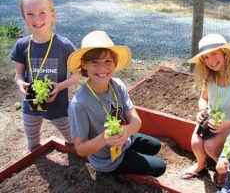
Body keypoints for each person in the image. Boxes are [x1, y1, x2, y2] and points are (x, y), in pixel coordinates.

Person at [67, 30, 166, 177]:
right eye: (95, 62)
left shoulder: (117, 85)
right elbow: (80, 149)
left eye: (108, 61)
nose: (102, 68)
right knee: (160, 167)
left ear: (115, 63)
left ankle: (130, 152)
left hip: (124, 139)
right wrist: (104, 138)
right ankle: (113, 172)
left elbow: (136, 121)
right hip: (107, 159)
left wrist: (127, 131)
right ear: (84, 65)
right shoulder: (79, 104)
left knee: (155, 145)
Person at [10, 0, 80, 151]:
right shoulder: (22, 45)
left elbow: (76, 74)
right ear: (24, 17)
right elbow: (19, 74)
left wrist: (60, 86)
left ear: (52, 14)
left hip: (58, 103)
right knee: (33, 142)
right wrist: (20, 83)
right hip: (32, 100)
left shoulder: (64, 44)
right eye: (30, 14)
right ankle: (34, 153)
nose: (37, 19)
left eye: (42, 12)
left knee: (72, 139)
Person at [179, 34, 230, 187]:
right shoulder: (210, 77)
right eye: (205, 57)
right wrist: (203, 110)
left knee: (210, 146)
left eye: (214, 53)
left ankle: (226, 169)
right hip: (212, 120)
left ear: (225, 53)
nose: (210, 60)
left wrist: (226, 125)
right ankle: (201, 164)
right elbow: (203, 98)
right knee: (196, 143)